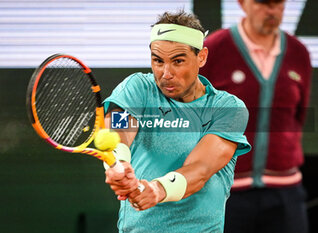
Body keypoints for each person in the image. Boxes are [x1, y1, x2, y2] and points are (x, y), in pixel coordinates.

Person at [103, 10, 251, 233]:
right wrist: (119, 161)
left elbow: (200, 169)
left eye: (178, 61)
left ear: (201, 56)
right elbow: (119, 126)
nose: (166, 73)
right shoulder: (138, 88)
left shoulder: (227, 108)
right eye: (157, 61)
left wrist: (157, 189)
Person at [199, 0, 312, 232]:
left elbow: (298, 116)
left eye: (277, 2)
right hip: (224, 192)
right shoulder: (213, 49)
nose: (271, 10)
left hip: (286, 193)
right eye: (262, 2)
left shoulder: (298, 52)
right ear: (242, 3)